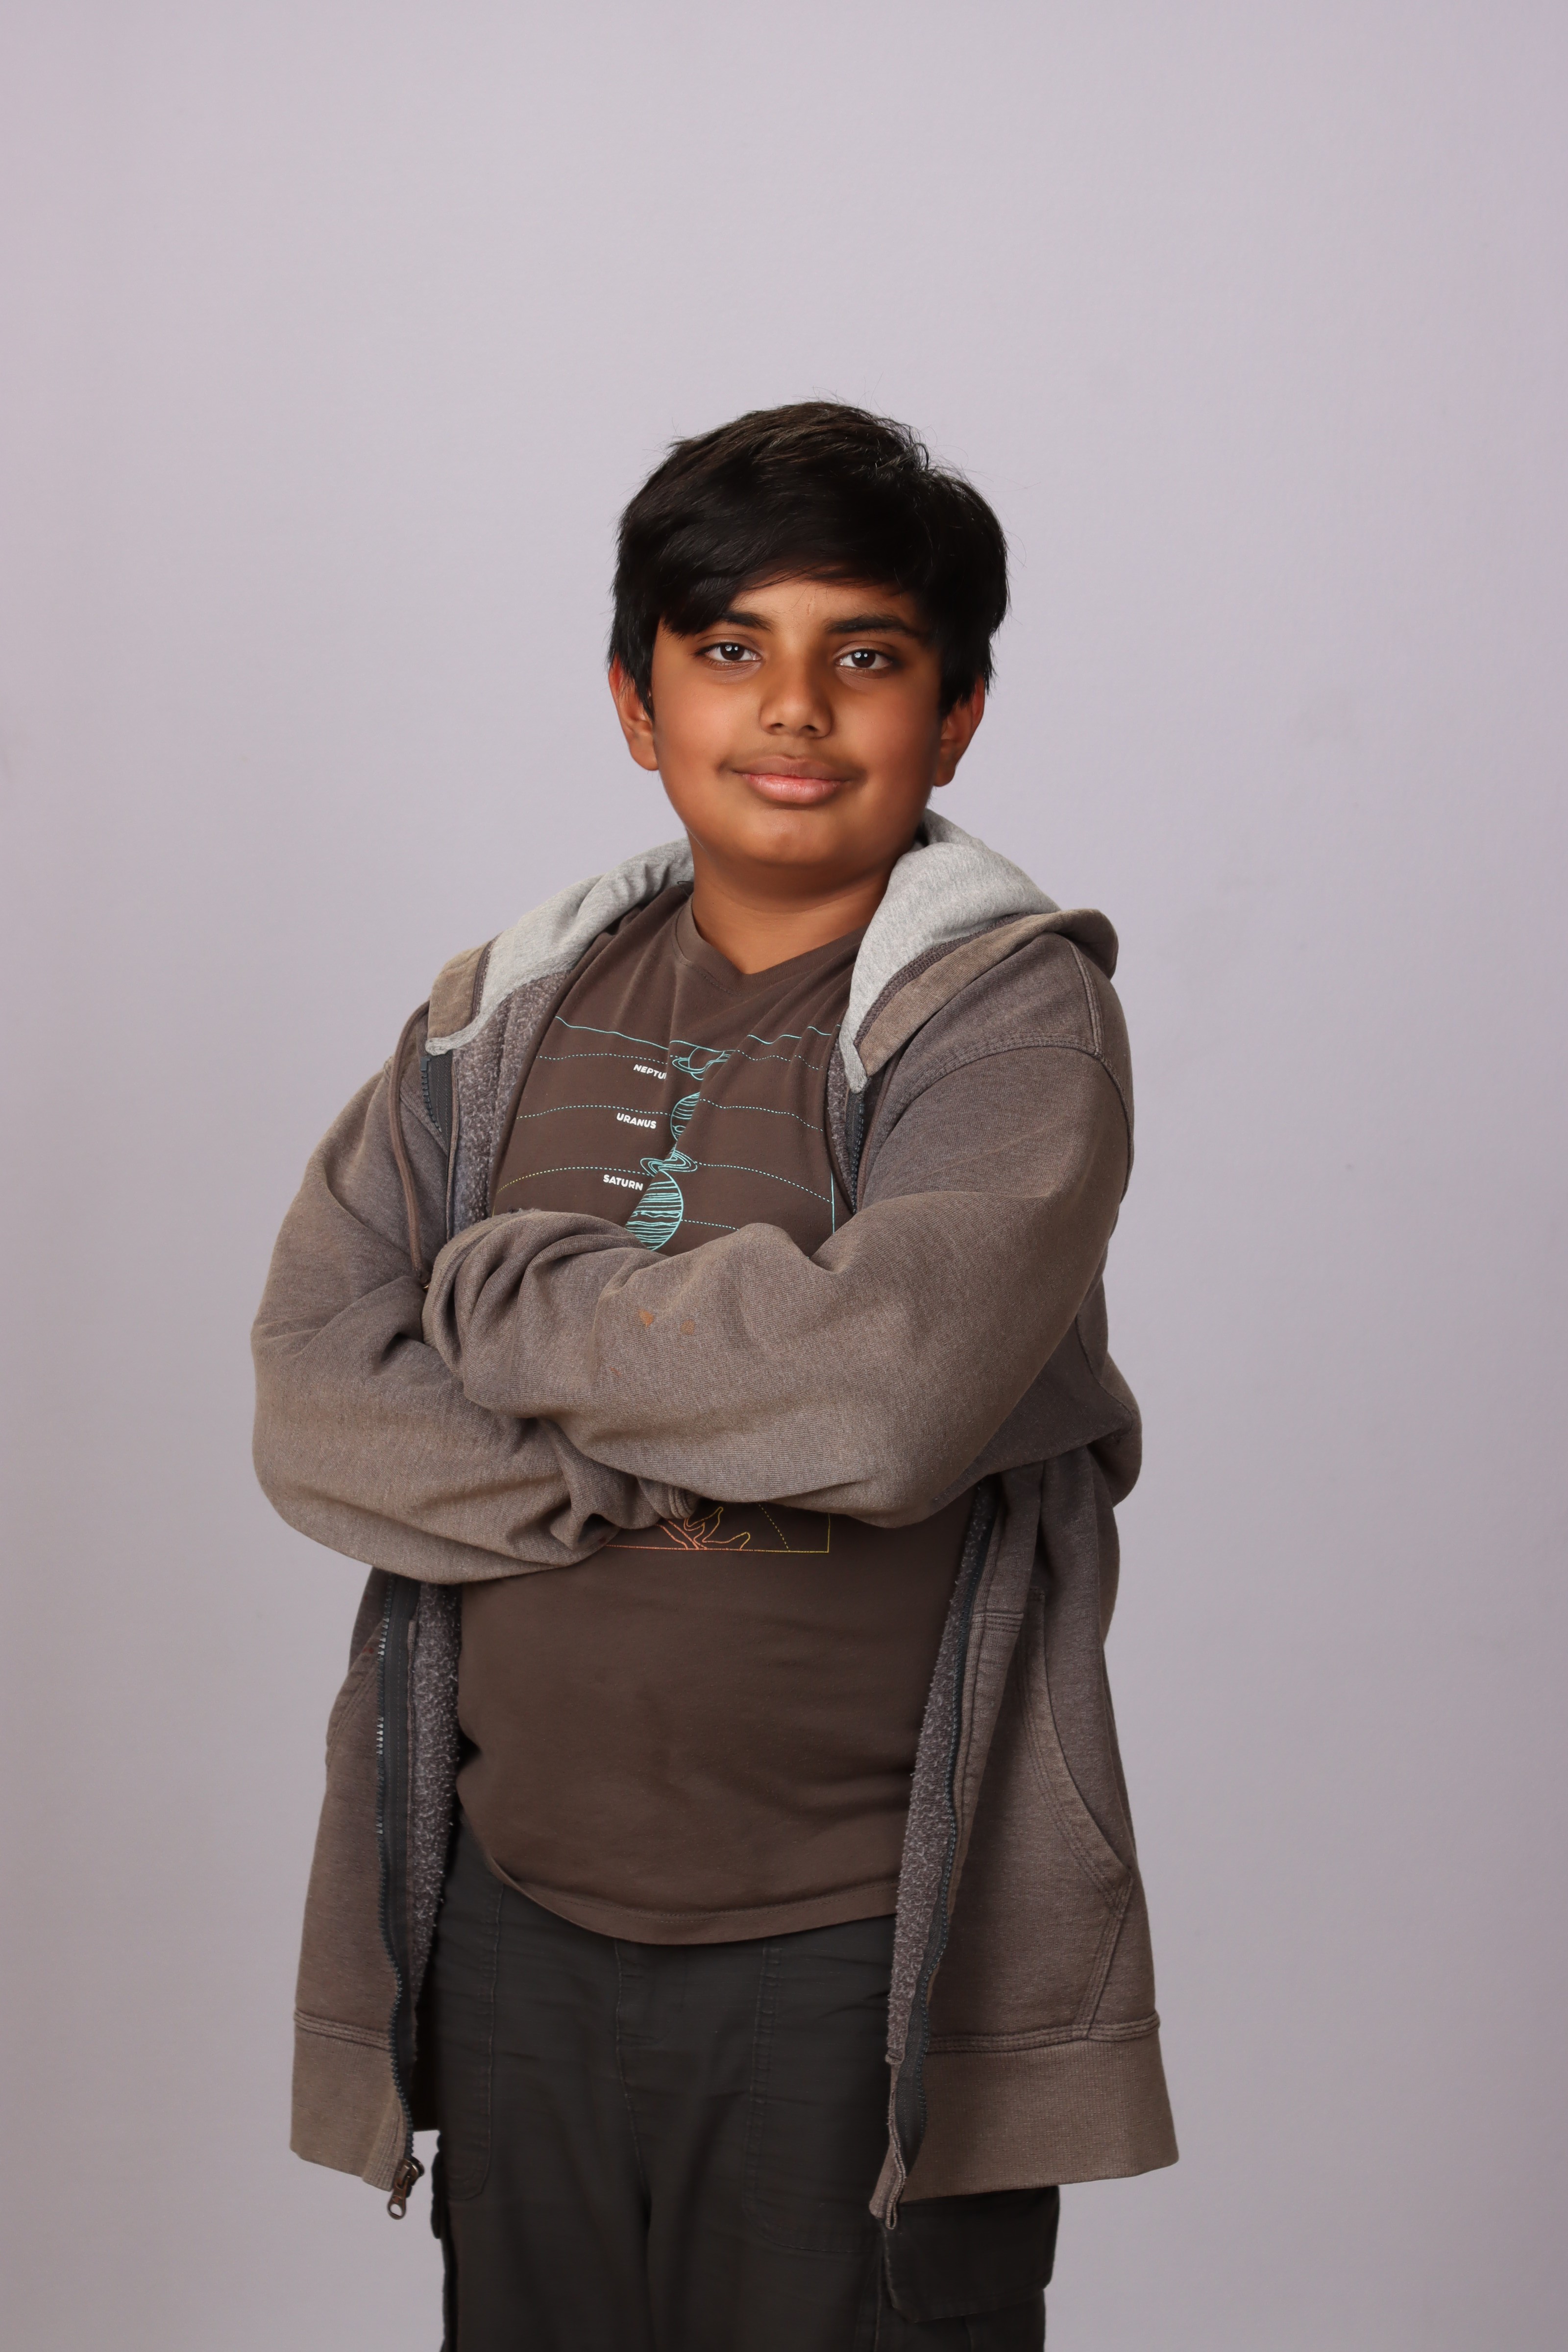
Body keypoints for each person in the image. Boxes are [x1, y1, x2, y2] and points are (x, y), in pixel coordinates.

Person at [252, 400, 1176, 2351]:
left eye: (867, 656)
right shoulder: (495, 1019)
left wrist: (506, 1298)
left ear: (956, 715)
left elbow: (884, 1400)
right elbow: (318, 1399)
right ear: (636, 700)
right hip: (506, 1913)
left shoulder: (1012, 1020)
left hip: (859, 1950)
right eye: (731, 647)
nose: (793, 709)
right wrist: (667, 1456)